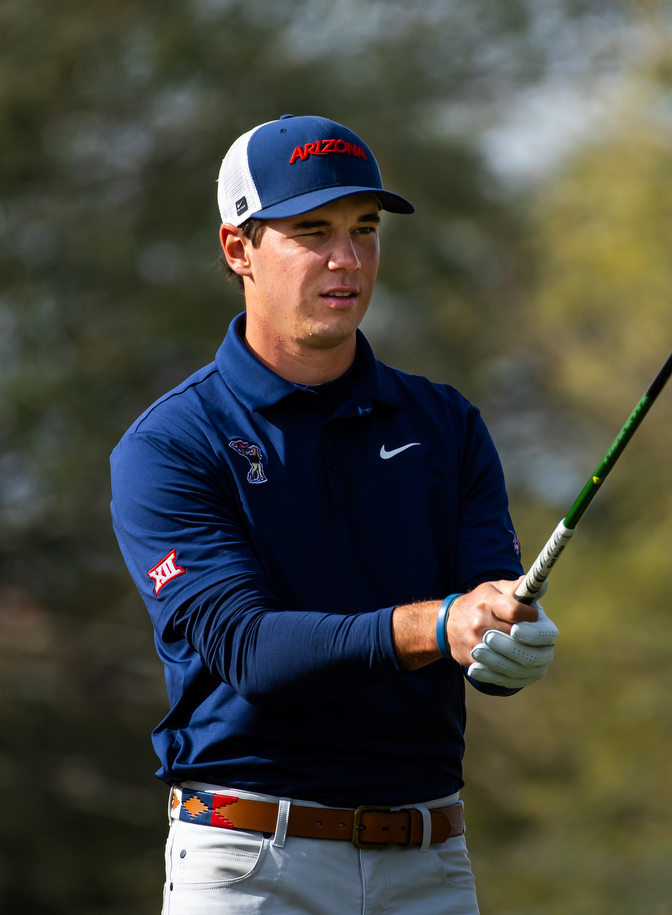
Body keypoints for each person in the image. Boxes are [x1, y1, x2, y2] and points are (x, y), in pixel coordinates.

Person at [110, 114, 558, 915]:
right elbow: (251, 649)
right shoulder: (173, 444)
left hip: (429, 861)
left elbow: (479, 613)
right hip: (250, 865)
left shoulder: (446, 425)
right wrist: (440, 624)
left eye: (364, 230)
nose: (346, 258)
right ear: (238, 249)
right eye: (312, 232)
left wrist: (506, 640)